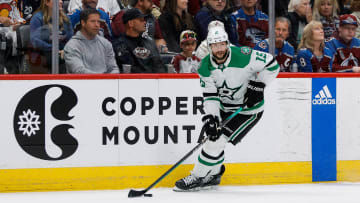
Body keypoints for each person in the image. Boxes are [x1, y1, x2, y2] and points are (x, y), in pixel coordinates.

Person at [174, 27, 279, 191]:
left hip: (247, 111)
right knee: (212, 137)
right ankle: (214, 174)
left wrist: (259, 85)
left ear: (227, 43)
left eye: (222, 44)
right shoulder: (204, 67)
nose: (219, 49)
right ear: (209, 47)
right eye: (215, 46)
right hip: (225, 108)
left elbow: (272, 64)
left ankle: (197, 177)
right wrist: (212, 118)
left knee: (217, 141)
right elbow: (210, 96)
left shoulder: (244, 55)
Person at [64, 9, 119, 73]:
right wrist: (102, 79)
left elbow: (113, 68)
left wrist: (110, 79)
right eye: (92, 21)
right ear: (83, 23)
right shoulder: (72, 46)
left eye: (98, 22)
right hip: (83, 82)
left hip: (106, 81)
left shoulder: (106, 43)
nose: (97, 25)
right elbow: (79, 71)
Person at [112, 8, 166, 73]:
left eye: (144, 20)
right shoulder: (119, 44)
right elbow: (129, 68)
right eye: (141, 20)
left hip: (154, 80)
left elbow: (159, 65)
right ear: (130, 23)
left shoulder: (149, 42)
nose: (145, 22)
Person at [29, 0, 73, 73]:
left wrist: (65, 50)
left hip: (62, 52)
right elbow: (35, 41)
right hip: (44, 52)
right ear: (46, 2)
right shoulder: (37, 18)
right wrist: (54, 49)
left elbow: (70, 39)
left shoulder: (66, 18)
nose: (61, 2)